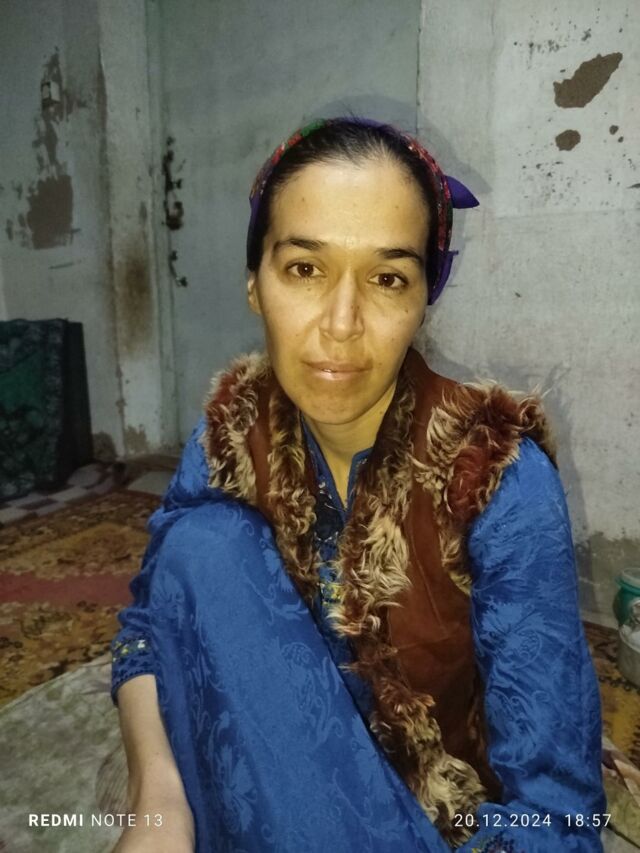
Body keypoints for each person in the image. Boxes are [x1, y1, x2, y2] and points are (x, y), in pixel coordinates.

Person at [110, 117, 606, 852]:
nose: (341, 324)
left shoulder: (494, 479)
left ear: (424, 298)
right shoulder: (229, 437)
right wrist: (157, 802)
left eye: (387, 278)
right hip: (258, 769)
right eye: (305, 270)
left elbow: (561, 816)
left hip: (430, 826)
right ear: (254, 284)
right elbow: (151, 625)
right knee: (200, 546)